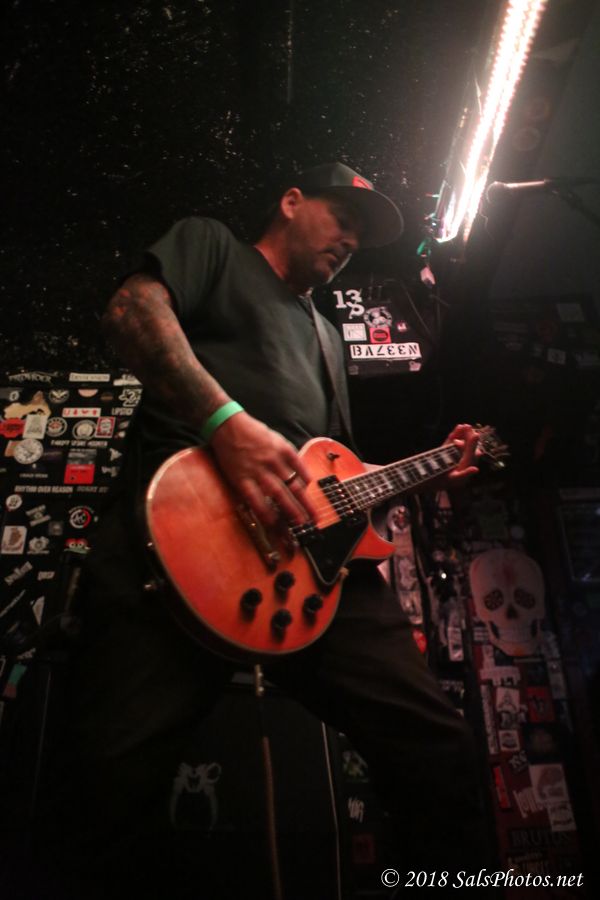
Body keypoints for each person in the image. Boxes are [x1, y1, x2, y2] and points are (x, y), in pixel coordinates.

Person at [35, 163, 493, 898]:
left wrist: (430, 471)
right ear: (290, 201)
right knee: (104, 794)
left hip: (310, 573)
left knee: (438, 748)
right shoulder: (213, 248)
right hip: (179, 548)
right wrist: (224, 423)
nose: (351, 240)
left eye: (361, 234)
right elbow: (130, 310)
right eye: (342, 217)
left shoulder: (329, 336)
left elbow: (337, 477)